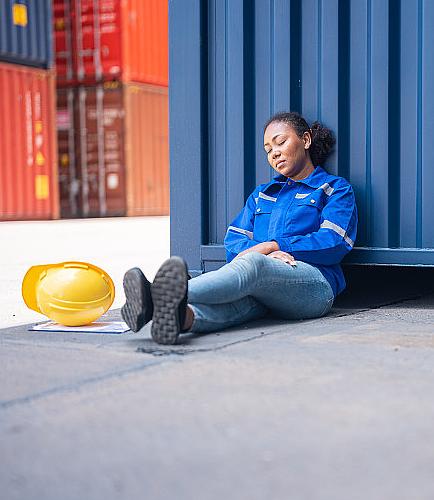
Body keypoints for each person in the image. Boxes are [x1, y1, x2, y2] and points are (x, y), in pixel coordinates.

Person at [121, 111, 358, 345]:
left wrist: (271, 247)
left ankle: (153, 297)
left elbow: (334, 241)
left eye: (280, 142)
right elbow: (234, 242)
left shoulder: (334, 188)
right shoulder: (262, 194)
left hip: (314, 287)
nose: (274, 153)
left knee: (255, 264)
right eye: (268, 150)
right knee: (238, 303)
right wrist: (268, 256)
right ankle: (179, 318)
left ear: (305, 140)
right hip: (264, 287)